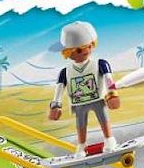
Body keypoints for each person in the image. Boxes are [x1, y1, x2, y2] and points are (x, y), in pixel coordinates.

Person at [47, 21, 121, 159]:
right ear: (68, 52)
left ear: (92, 45)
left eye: (87, 47)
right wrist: (55, 105)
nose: (85, 51)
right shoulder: (65, 72)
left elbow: (109, 79)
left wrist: (112, 94)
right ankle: (81, 145)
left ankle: (109, 139)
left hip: (98, 99)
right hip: (79, 103)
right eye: (77, 50)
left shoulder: (100, 64)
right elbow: (59, 88)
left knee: (103, 118)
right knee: (80, 124)